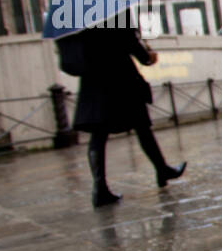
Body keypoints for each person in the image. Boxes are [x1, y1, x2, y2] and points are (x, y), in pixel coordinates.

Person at [61, 19, 186, 206]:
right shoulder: (111, 3)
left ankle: (99, 188)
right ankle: (162, 170)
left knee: (98, 134)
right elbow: (127, 39)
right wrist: (147, 57)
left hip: (94, 79)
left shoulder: (77, 11)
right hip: (120, 76)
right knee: (143, 127)